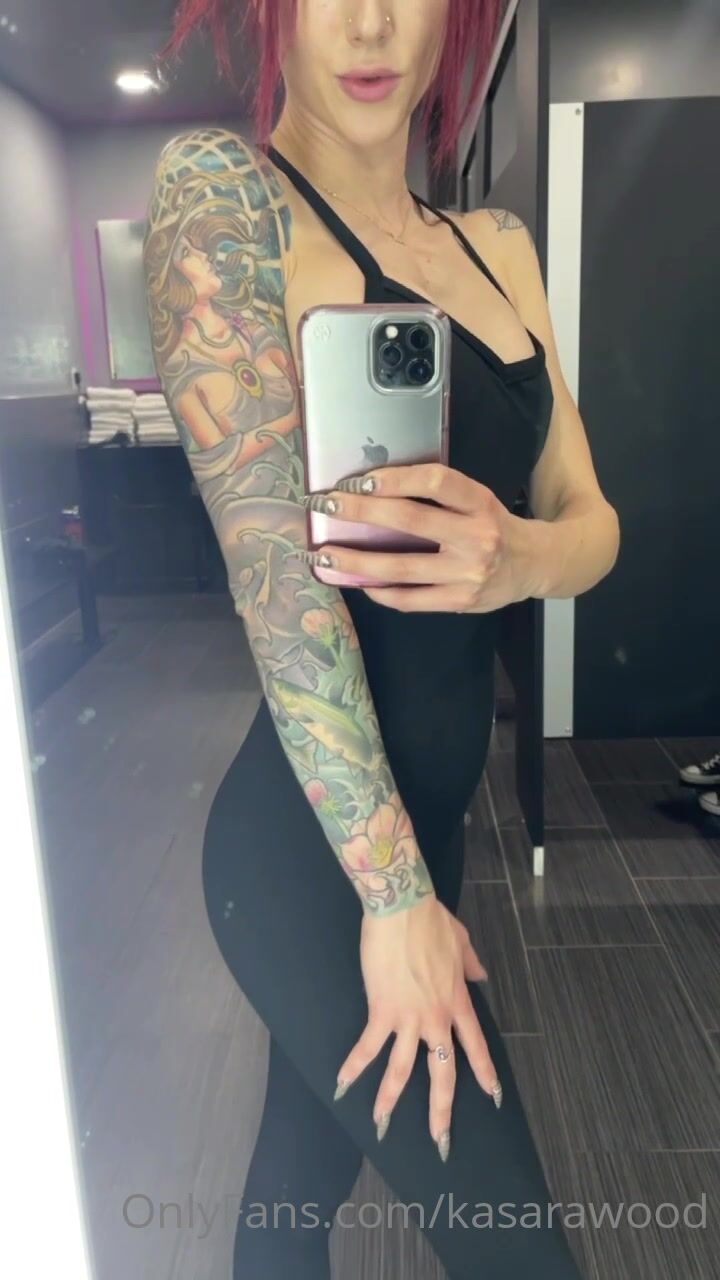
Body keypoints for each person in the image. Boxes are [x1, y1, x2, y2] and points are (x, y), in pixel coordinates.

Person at [143, 3, 620, 1276]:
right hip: (315, 849)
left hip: (437, 824)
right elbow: (277, 591)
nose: (368, 23)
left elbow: (594, 521)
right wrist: (396, 897)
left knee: (302, 1171)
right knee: (523, 1254)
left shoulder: (498, 247)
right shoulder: (224, 199)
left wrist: (515, 556)